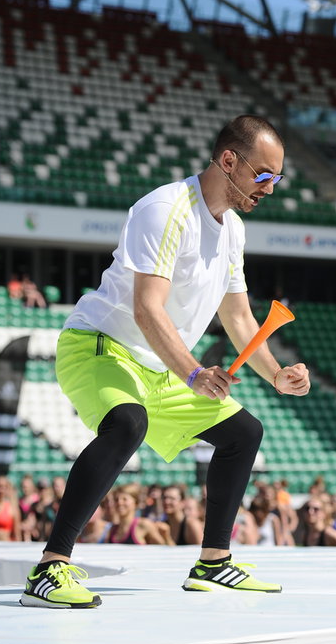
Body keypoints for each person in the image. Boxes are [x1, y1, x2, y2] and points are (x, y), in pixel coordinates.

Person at [19, 114, 310, 608]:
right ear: (228, 161)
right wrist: (194, 373)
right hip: (100, 345)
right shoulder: (166, 208)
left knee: (244, 433)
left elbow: (240, 318)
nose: (271, 189)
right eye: (263, 176)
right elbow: (146, 308)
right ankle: (50, 568)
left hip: (158, 364)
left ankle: (214, 562)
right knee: (127, 422)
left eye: (277, 179)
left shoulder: (233, 231)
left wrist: (276, 374)